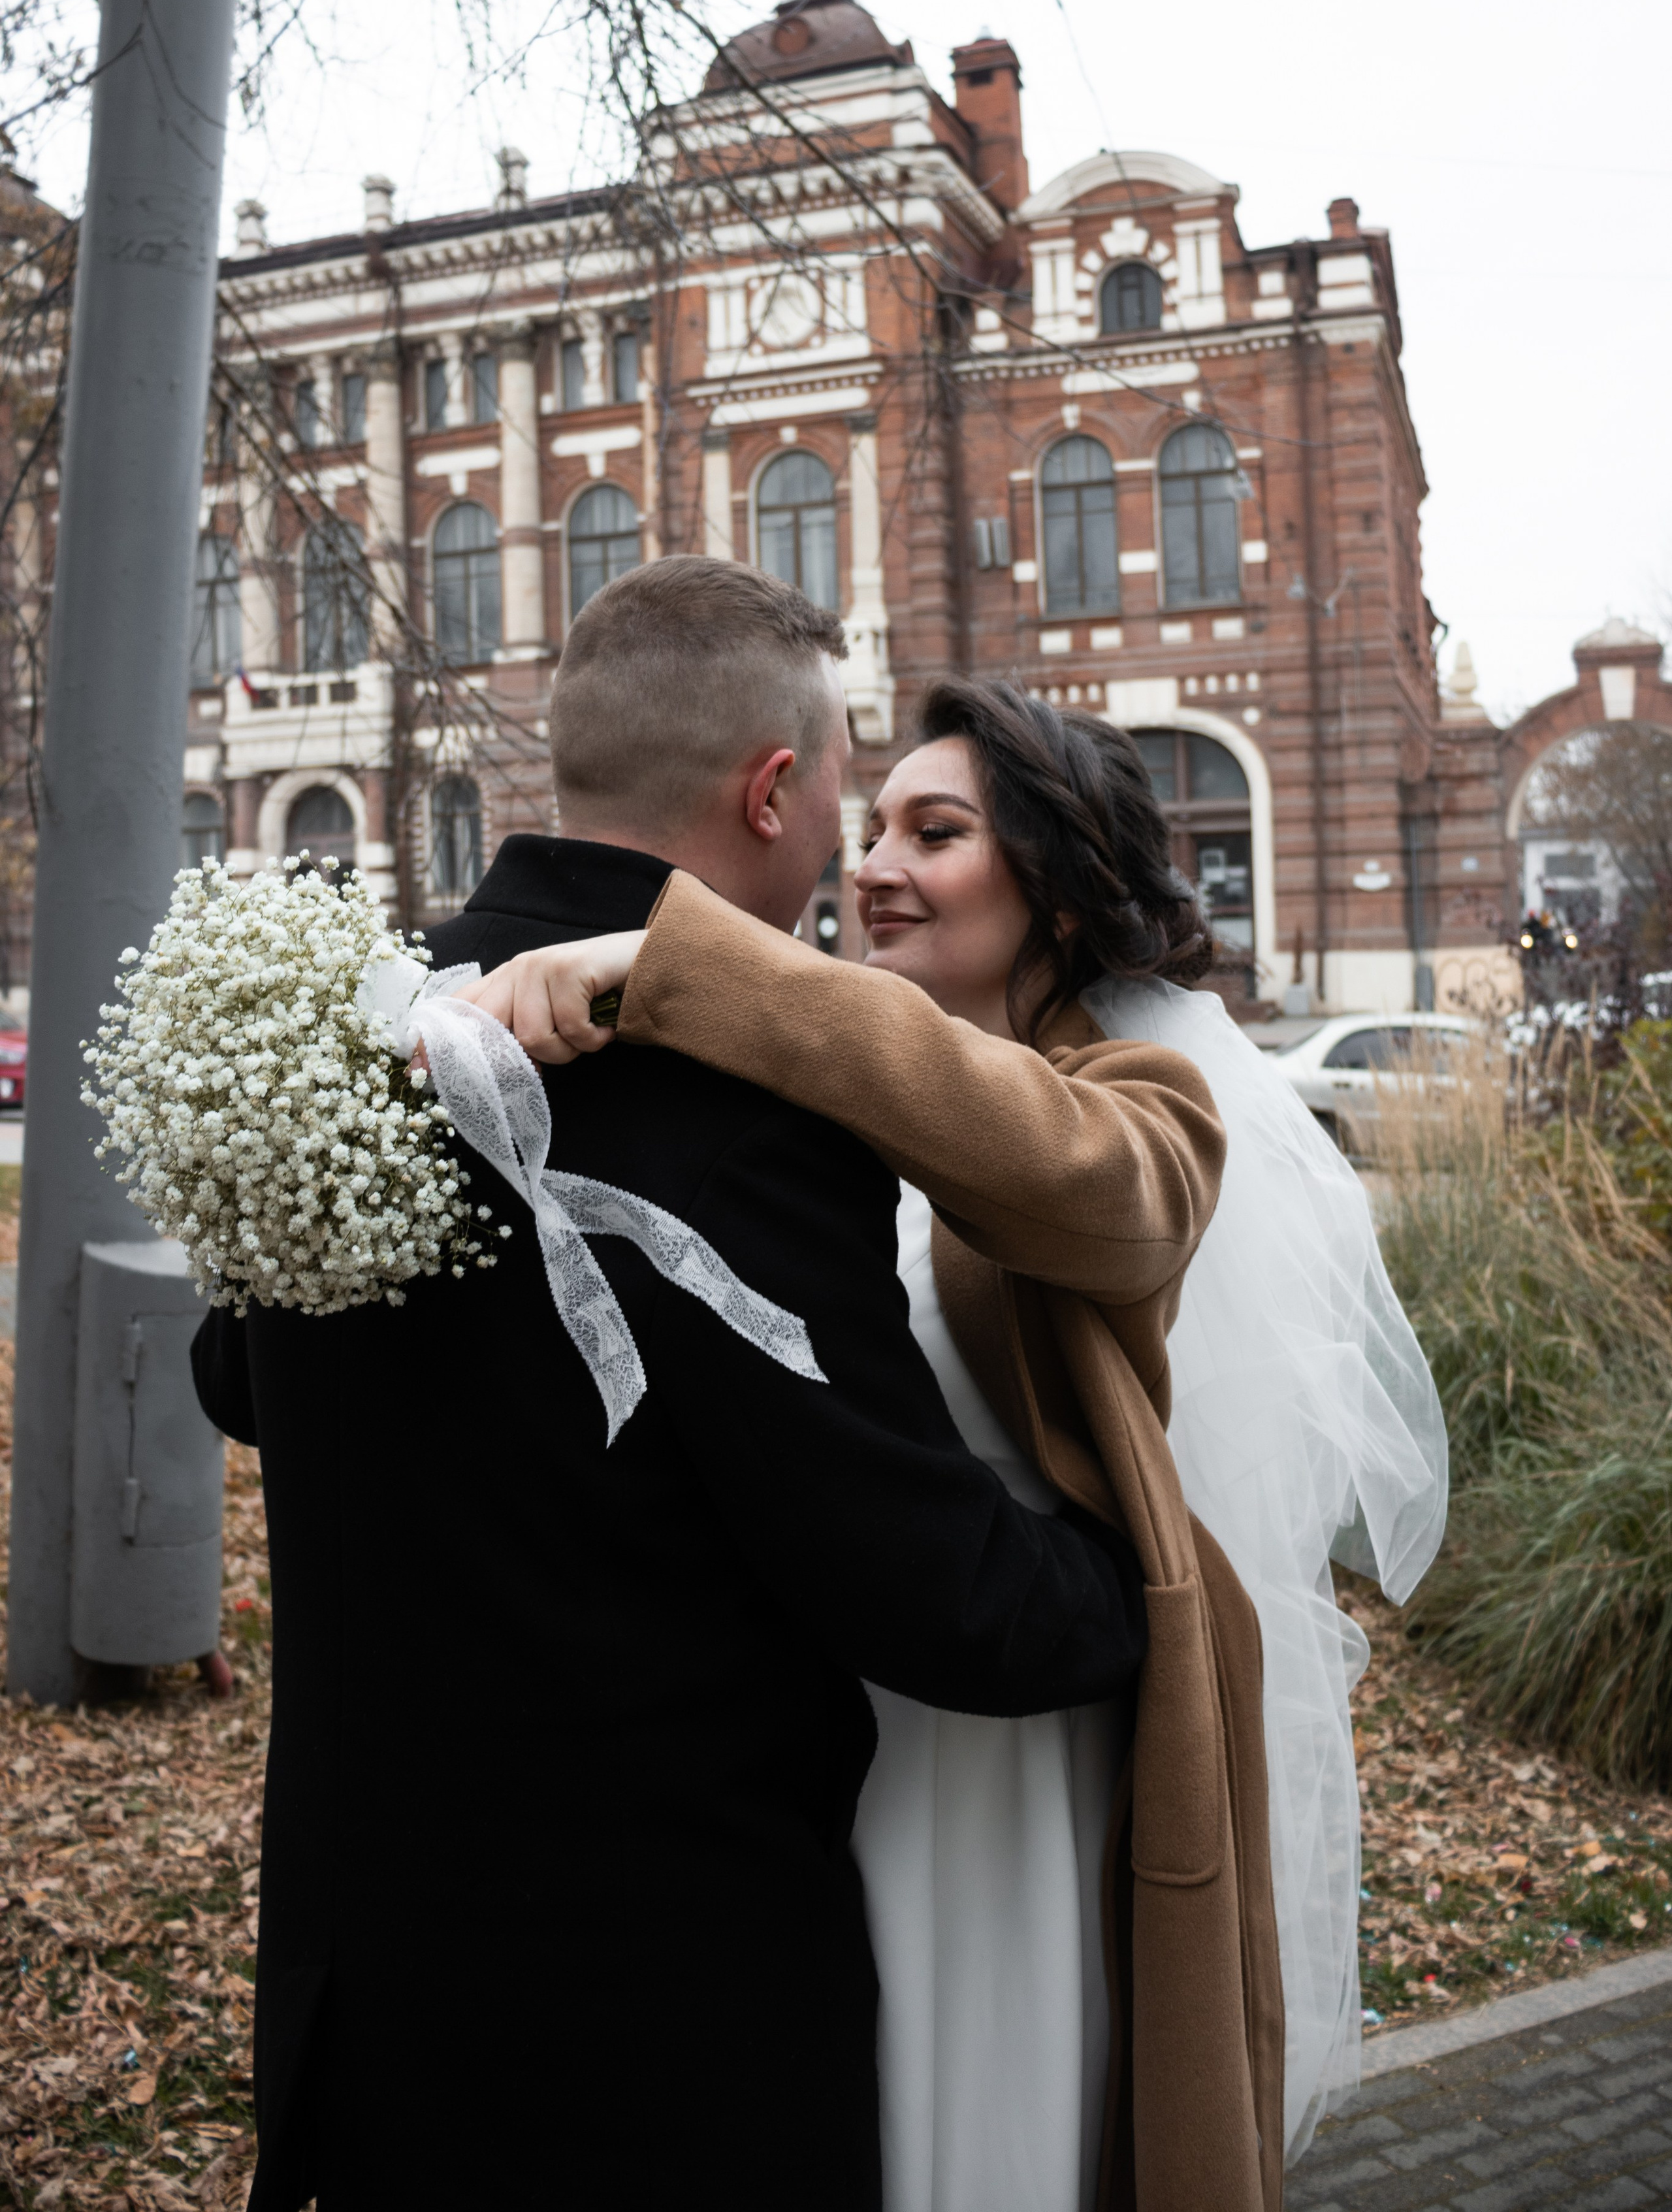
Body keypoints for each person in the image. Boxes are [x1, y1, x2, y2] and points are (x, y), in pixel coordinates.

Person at [190, 561, 1226, 2212]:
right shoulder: (746, 1120)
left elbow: (238, 1373)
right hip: (647, 2038)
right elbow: (923, 1583)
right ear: (772, 788)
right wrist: (1135, 1601)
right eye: (843, 797)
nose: (854, 855)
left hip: (363, 1999)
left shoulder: (348, 1033)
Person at [462, 675, 1449, 2209]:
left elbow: (1084, 1192)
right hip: (804, 1734)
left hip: (1008, 1722)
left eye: (933, 831)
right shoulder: (806, 1098)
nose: (872, 867)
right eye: (867, 828)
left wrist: (684, 958)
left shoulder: (1144, 1103)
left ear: (1051, 885)